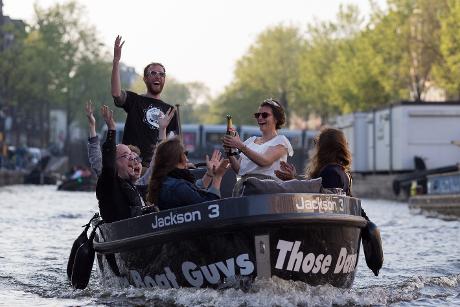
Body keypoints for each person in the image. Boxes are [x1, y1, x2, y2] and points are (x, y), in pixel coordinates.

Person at [85, 101, 175, 199]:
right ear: (114, 164)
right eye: (127, 156)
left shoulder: (142, 184)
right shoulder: (110, 181)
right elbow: (96, 158)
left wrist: (162, 129)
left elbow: (158, 159)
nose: (134, 161)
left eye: (136, 158)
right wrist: (93, 126)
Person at [111, 35, 178, 167]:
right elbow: (116, 93)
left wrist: (182, 162)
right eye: (153, 73)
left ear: (164, 79)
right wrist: (116, 61)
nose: (157, 76)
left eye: (161, 74)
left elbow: (174, 145)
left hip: (155, 167)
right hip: (132, 164)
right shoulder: (135, 100)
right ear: (145, 79)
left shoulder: (170, 110)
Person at [222, 98, 293, 196]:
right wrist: (229, 151)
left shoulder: (281, 141)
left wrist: (240, 145)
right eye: (257, 115)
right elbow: (239, 169)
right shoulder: (251, 140)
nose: (260, 118)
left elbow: (265, 161)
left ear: (276, 119)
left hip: (266, 191)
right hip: (243, 188)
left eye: (264, 115)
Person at [146, 137, 230, 210]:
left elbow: (193, 193)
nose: (187, 160)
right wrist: (218, 177)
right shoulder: (178, 187)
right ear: (175, 159)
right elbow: (209, 208)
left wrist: (209, 174)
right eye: (185, 154)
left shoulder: (164, 181)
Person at [96, 105, 144, 223]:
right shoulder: (109, 183)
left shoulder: (132, 185)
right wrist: (111, 129)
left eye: (132, 156)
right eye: (126, 156)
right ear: (114, 161)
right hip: (120, 235)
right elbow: (108, 165)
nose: (132, 160)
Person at [275, 127, 352, 195]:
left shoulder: (330, 172)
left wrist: (293, 181)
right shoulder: (342, 172)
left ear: (324, 148)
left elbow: (315, 199)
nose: (315, 147)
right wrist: (294, 178)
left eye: (317, 142)